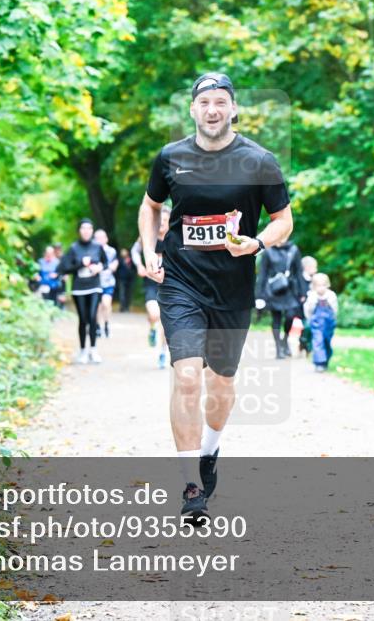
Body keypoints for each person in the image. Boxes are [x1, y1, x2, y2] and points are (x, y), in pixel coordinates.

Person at [138, 72, 293, 521]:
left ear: (233, 109)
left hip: (232, 287)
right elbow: (150, 206)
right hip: (181, 281)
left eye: (220, 101)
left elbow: (283, 219)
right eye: (204, 101)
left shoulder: (259, 161)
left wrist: (258, 242)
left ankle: (209, 451)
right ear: (193, 109)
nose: (212, 109)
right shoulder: (171, 157)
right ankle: (191, 486)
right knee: (187, 376)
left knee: (221, 381)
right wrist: (150, 250)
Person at [58, 219, 109, 364]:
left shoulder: (98, 247)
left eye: (89, 228)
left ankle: (93, 349)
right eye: (83, 228)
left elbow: (105, 263)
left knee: (92, 317)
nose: (86, 231)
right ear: (79, 231)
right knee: (83, 319)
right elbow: (64, 268)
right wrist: (81, 264)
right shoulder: (74, 248)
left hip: (94, 286)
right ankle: (82, 351)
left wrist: (99, 268)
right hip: (79, 288)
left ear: (92, 231)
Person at [131, 206, 172, 368]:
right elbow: (135, 251)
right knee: (154, 315)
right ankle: (152, 328)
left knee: (165, 320)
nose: (161, 222)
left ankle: (163, 352)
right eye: (159, 219)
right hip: (150, 282)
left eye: (164, 219)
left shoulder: (173, 236)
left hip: (169, 283)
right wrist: (139, 265)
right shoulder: (148, 236)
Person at [255, 240, 303, 359]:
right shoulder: (268, 251)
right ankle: (278, 349)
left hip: (290, 289)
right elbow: (263, 274)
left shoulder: (293, 250)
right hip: (273, 290)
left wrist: (303, 292)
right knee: (276, 318)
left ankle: (285, 340)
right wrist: (259, 295)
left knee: (290, 316)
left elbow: (299, 272)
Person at [304, 272, 338, 372]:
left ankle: (326, 359)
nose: (321, 288)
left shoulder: (331, 296)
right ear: (314, 287)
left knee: (326, 342)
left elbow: (335, 310)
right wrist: (309, 318)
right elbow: (308, 309)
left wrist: (334, 319)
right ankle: (319, 363)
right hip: (316, 323)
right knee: (318, 341)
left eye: (323, 285)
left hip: (329, 323)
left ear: (327, 285)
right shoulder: (312, 296)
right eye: (318, 286)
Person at [93, 229, 119, 339]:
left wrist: (112, 267)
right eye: (97, 238)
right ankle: (98, 326)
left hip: (108, 282)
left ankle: (107, 324)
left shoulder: (111, 251)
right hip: (95, 283)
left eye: (101, 237)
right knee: (97, 307)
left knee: (106, 304)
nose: (99, 240)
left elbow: (114, 264)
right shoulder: (92, 250)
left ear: (106, 239)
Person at [297, 256, 318, 355]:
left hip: (312, 309)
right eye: (314, 267)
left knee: (310, 327)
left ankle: (308, 346)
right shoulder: (299, 279)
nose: (316, 270)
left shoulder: (315, 279)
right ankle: (303, 343)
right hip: (301, 310)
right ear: (306, 267)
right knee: (307, 327)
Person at [115, 247, 136, 312]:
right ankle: (122, 307)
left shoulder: (131, 259)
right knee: (122, 294)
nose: (123, 253)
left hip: (130, 279)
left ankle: (127, 307)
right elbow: (117, 270)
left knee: (128, 294)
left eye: (124, 251)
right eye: (122, 252)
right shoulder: (119, 260)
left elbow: (134, 268)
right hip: (121, 279)